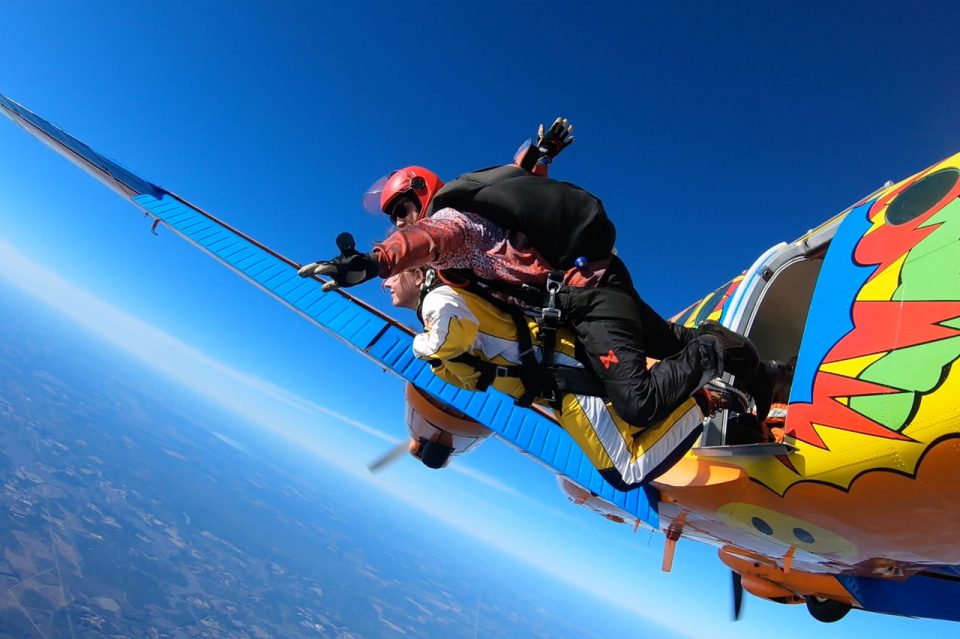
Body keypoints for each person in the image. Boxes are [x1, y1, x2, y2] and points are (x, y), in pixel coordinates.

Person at [300, 119, 778, 431]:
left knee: (638, 404)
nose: (399, 222)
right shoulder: (470, 227)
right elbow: (518, 179)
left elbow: (423, 241)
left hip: (586, 297)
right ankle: (760, 371)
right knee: (672, 342)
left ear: (423, 197)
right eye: (393, 217)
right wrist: (540, 154)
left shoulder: (452, 225)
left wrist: (371, 262)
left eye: (403, 209)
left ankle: (716, 350)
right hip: (593, 282)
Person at [384, 267, 745, 489]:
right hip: (557, 383)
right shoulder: (438, 304)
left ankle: (703, 388)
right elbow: (469, 371)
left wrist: (420, 347)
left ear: (415, 272)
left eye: (391, 274)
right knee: (630, 445)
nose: (385, 283)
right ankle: (699, 388)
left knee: (629, 470)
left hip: (563, 377)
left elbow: (451, 334)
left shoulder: (437, 302)